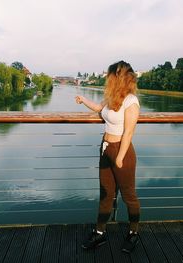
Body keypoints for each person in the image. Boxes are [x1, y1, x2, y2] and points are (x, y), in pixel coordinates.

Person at [75, 60, 141, 253]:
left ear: (119, 77)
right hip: (105, 149)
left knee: (129, 196)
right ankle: (100, 233)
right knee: (106, 193)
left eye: (111, 75)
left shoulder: (131, 101)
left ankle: (133, 233)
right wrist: (83, 100)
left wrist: (120, 157)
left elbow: (128, 133)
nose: (108, 78)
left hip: (122, 152)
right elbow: (98, 109)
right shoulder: (112, 97)